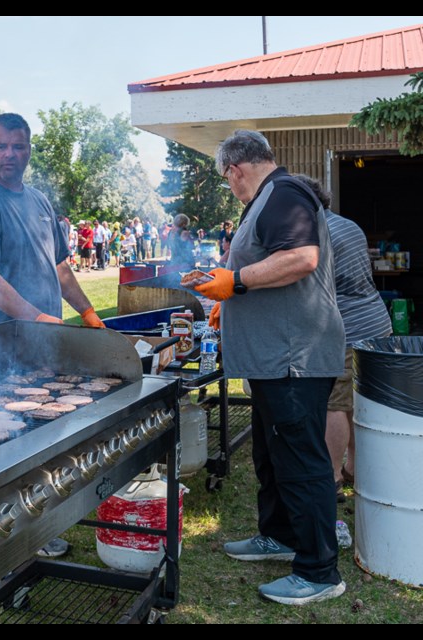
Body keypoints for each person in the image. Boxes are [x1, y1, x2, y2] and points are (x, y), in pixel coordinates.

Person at [195, 129, 346, 605]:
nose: (230, 186)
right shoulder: (264, 199)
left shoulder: (282, 193)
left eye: (227, 179)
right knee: (271, 454)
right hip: (272, 360)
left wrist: (234, 283)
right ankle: (279, 535)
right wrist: (227, 293)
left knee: (302, 461)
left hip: (294, 357)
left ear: (235, 170)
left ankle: (320, 571)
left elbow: (301, 258)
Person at [0, 114, 105, 558]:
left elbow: (60, 268)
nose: (9, 156)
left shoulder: (37, 200)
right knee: (3, 437)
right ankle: (10, 533)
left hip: (39, 340)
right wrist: (37, 317)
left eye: (18, 147)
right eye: (0, 146)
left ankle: (38, 518)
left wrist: (89, 313)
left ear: (29, 150)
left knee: (40, 433)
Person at [292, 174, 392, 501]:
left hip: (347, 327)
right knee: (357, 402)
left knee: (334, 404)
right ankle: (356, 471)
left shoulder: (318, 233)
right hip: (377, 322)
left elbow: (313, 287)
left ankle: (333, 478)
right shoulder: (348, 224)